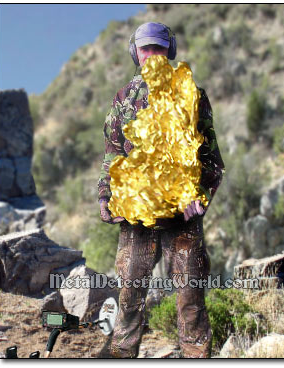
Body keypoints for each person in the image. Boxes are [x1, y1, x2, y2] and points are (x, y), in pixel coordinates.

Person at [98, 22, 225, 358]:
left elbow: (212, 160)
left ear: (170, 50)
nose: (152, 54)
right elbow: (113, 153)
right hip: (137, 222)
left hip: (182, 222)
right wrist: (105, 195)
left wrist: (199, 197)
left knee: (190, 300)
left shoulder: (193, 95)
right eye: (145, 48)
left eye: (158, 48)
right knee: (129, 298)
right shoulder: (125, 98)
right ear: (135, 53)